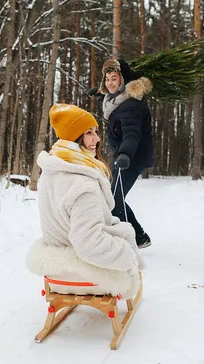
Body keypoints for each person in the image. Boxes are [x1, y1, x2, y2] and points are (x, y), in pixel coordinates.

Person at [26, 104, 141, 298]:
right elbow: (89, 244)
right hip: (82, 269)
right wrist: (128, 255)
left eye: (96, 132)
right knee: (126, 236)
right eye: (89, 133)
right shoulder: (82, 184)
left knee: (124, 229)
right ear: (74, 137)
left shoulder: (53, 170)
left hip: (57, 259)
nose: (97, 138)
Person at [94, 59, 154, 249]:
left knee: (114, 198)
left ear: (123, 80)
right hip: (125, 155)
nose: (110, 83)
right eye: (107, 79)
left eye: (114, 78)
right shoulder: (119, 99)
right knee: (112, 196)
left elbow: (132, 133)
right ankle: (133, 235)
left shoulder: (131, 105)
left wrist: (125, 154)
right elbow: (115, 106)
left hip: (131, 157)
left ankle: (138, 236)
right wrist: (97, 95)